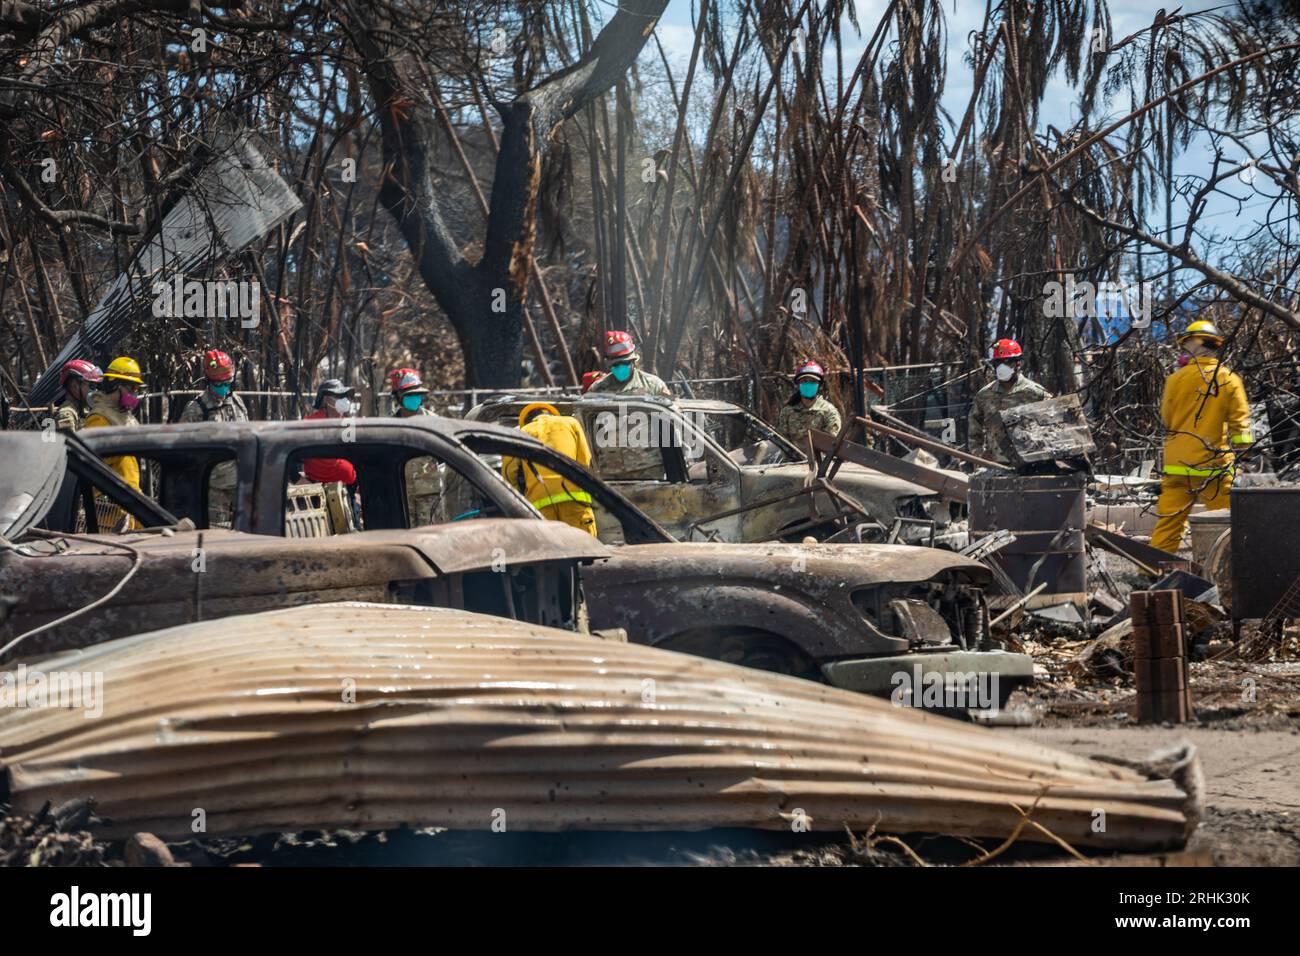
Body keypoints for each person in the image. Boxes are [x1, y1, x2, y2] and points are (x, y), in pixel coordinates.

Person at [1149, 320, 1252, 554]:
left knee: (1168, 524)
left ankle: (1150, 570)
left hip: (1176, 466)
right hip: (1213, 468)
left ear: (1190, 346)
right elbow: (1240, 424)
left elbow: (1167, 418)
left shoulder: (1175, 380)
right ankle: (1227, 568)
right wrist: (1245, 456)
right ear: (1214, 346)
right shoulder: (1228, 379)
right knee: (1226, 525)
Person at [502, 402, 597, 537]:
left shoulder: (522, 433)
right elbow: (585, 460)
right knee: (584, 545)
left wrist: (518, 498)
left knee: (550, 547)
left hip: (539, 504)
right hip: (574, 498)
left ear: (526, 421)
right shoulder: (571, 423)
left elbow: (509, 472)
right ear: (552, 414)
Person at [179, 350, 248, 524]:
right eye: (219, 384)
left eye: (227, 383)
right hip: (214, 488)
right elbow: (183, 449)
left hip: (241, 483)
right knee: (216, 532)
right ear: (208, 382)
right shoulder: (196, 409)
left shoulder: (237, 403)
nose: (224, 388)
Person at [82, 356, 146, 530]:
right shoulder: (99, 418)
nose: (134, 394)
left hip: (131, 501)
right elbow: (94, 467)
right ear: (115, 386)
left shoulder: (123, 416)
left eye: (136, 389)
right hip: (110, 511)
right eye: (131, 388)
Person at [967, 338, 1052, 465]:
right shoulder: (984, 395)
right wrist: (979, 453)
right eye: (998, 362)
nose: (1002, 367)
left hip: (1032, 464)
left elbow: (1053, 424)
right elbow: (974, 425)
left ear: (1018, 363)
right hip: (996, 464)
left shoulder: (1035, 393)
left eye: (1007, 362)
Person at [388, 368, 437, 525]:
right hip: (401, 494)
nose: (414, 398)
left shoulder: (434, 422)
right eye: (409, 395)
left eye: (417, 394)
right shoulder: (389, 426)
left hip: (428, 494)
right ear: (398, 397)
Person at [301, 379, 357, 486]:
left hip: (347, 486)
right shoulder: (310, 423)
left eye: (344, 396)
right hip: (317, 487)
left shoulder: (348, 424)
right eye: (338, 396)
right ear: (326, 399)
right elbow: (293, 455)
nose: (344, 399)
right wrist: (298, 479)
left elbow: (353, 456)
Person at [776, 360, 842, 448]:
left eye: (813, 381)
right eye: (804, 381)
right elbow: (782, 441)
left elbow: (830, 443)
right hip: (791, 456)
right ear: (798, 385)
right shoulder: (787, 411)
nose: (808, 384)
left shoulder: (829, 412)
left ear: (820, 385)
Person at [587, 331, 671, 397]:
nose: (620, 367)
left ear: (633, 362)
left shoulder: (654, 386)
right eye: (616, 364)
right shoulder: (597, 389)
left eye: (625, 363)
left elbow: (670, 410)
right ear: (609, 365)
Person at [54, 359, 103, 433]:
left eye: (95, 386)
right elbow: (68, 440)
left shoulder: (84, 409)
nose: (95, 390)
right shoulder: (66, 415)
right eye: (91, 385)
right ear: (75, 386)